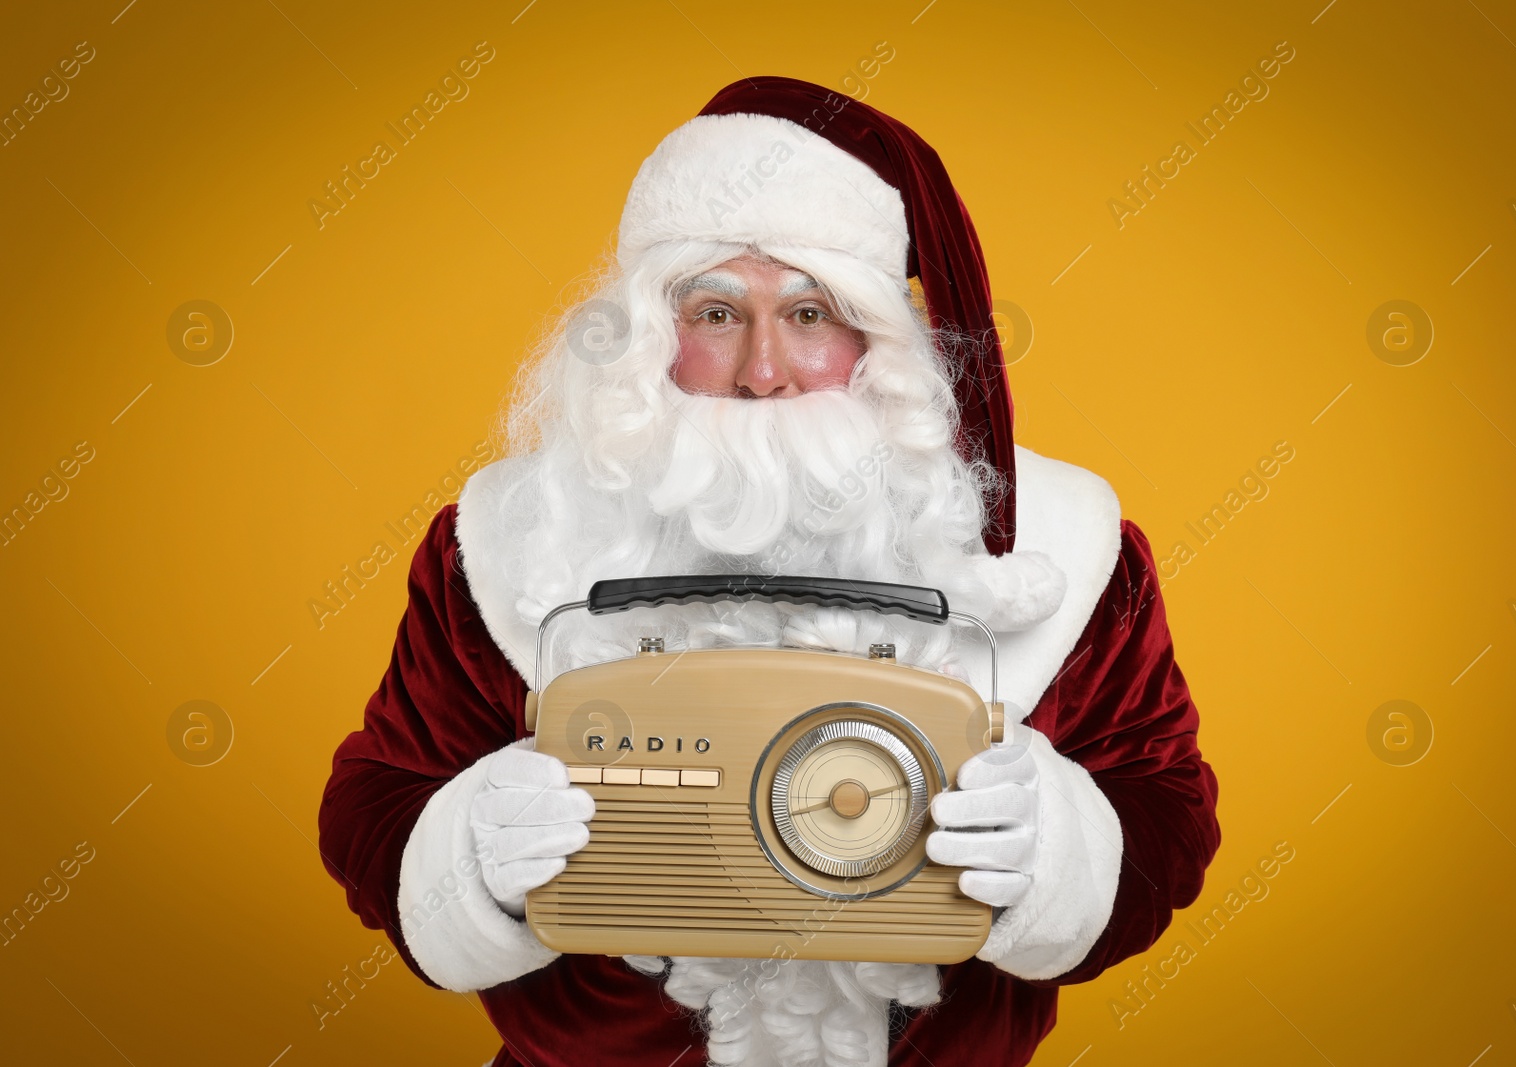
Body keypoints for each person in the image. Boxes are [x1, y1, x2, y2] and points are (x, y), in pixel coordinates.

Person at [318, 76, 1220, 1067]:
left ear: (879, 335)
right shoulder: (501, 541)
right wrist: (470, 856)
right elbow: (380, 795)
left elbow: (1162, 802)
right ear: (649, 333)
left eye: (810, 312)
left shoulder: (1062, 544)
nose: (760, 370)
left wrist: (1056, 845)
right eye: (715, 312)